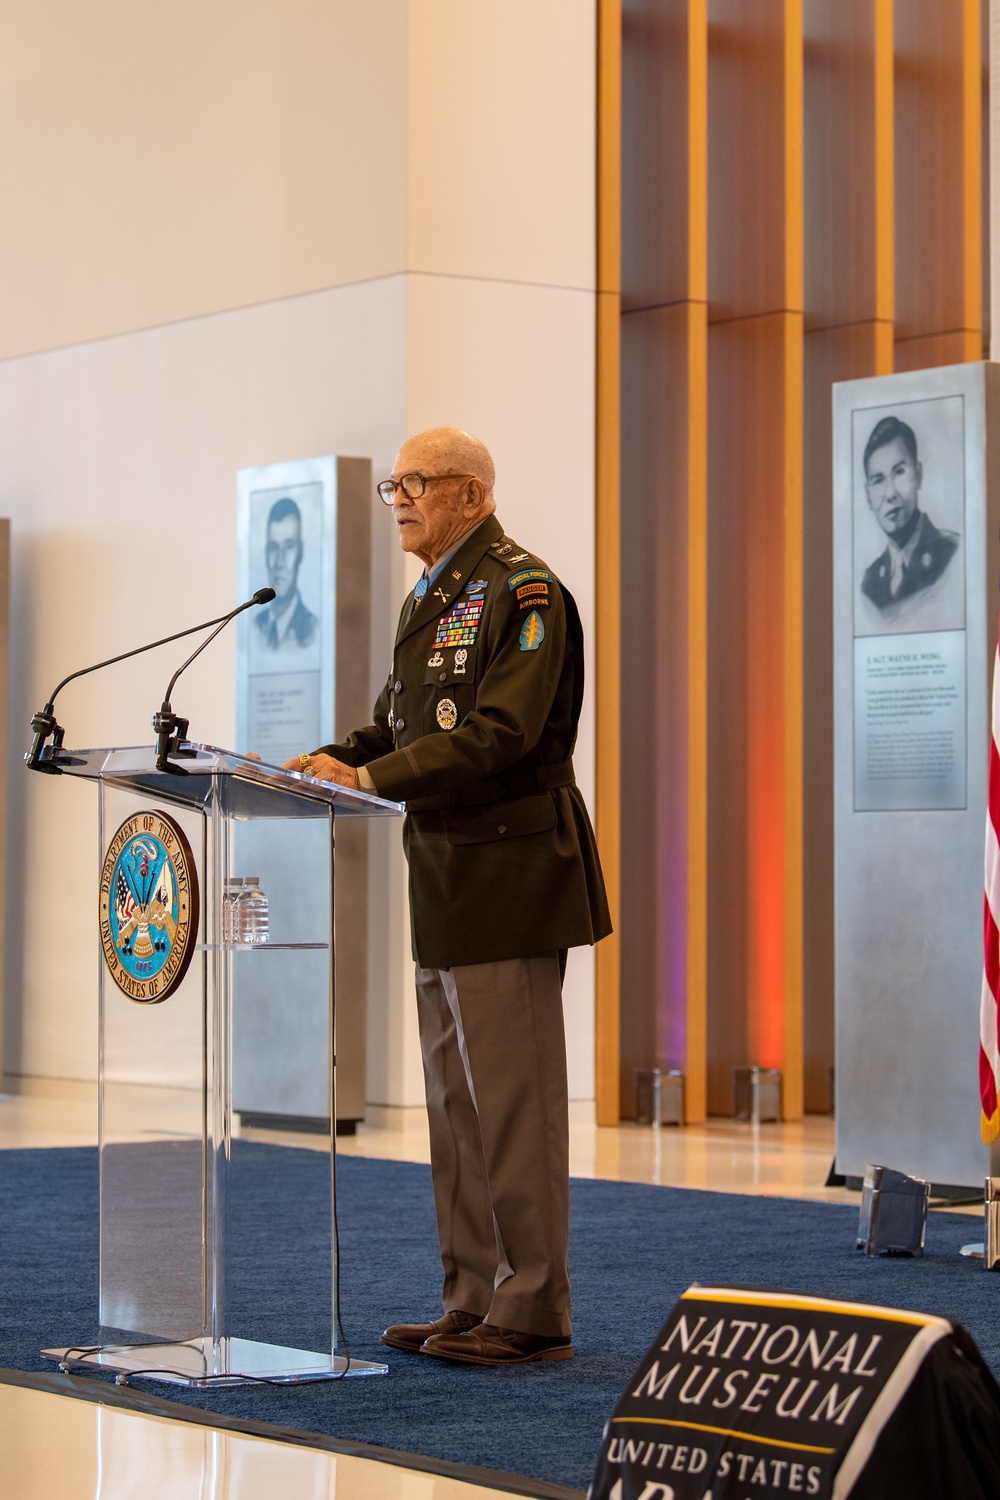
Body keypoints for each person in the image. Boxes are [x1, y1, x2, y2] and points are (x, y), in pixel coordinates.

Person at [285, 426, 611, 1366]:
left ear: (471, 493)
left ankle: (535, 1309)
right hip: (445, 872)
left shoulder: (524, 589)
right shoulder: (433, 593)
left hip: (510, 869)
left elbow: (502, 732)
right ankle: (472, 1295)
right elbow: (399, 721)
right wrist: (340, 757)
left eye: (417, 483)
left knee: (512, 1102)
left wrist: (373, 781)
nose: (400, 499)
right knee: (456, 1106)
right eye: (395, 484)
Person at [860, 415, 959, 611]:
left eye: (899, 472)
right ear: (868, 495)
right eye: (878, 480)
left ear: (918, 475)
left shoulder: (954, 555)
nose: (890, 494)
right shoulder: (868, 585)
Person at [254, 496, 319, 649]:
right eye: (273, 548)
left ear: (300, 553)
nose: (279, 562)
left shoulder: (312, 627)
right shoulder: (257, 625)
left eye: (289, 547)